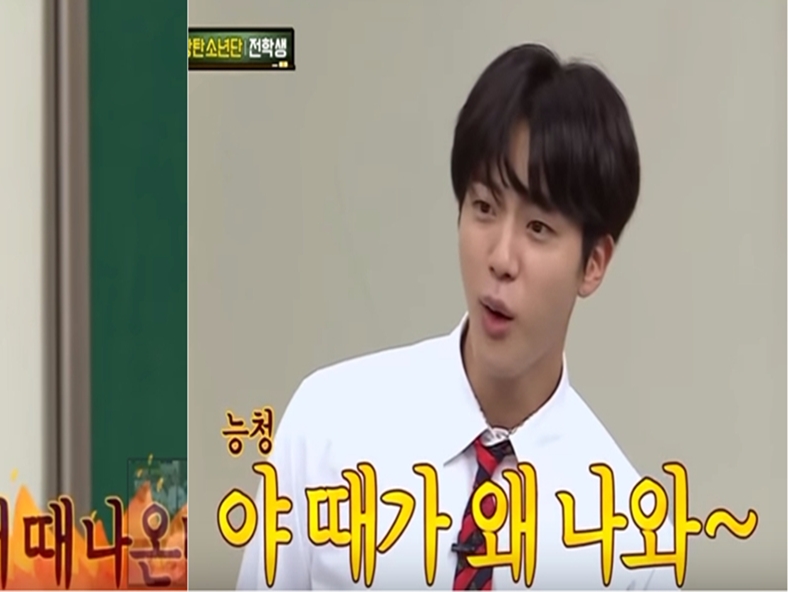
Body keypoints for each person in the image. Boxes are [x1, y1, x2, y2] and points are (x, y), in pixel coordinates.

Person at [236, 44, 678, 590]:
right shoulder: (327, 427)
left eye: (538, 228)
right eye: (484, 208)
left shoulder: (631, 544)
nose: (501, 258)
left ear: (593, 263)